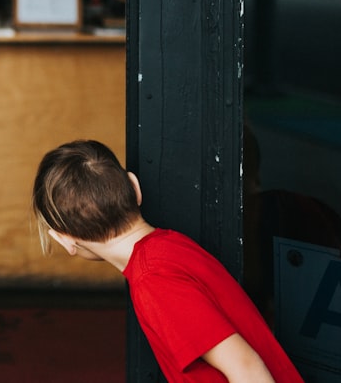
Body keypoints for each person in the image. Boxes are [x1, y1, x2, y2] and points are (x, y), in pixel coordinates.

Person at [32, 139, 303, 383]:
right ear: (135, 188)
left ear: (65, 240)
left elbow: (247, 370)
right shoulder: (167, 247)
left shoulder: (154, 279)